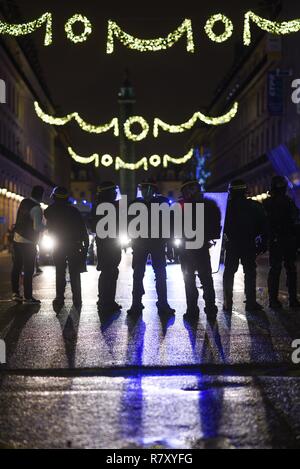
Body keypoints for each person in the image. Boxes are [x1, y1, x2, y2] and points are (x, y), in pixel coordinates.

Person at [127, 181, 175, 317]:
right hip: (144, 243)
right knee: (140, 274)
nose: (145, 191)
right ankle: (138, 303)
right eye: (144, 189)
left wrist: (169, 244)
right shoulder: (159, 202)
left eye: (148, 189)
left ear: (153, 190)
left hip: (154, 243)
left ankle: (159, 303)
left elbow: (169, 225)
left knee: (159, 275)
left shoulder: (157, 203)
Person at [223, 179, 268, 313]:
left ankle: (227, 302)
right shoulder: (254, 205)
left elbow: (220, 227)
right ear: (244, 191)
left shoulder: (226, 207)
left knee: (229, 272)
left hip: (232, 244)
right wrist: (262, 242)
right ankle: (250, 302)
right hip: (248, 243)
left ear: (231, 191)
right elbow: (264, 226)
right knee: (249, 272)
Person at [179, 180, 221, 321]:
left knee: (193, 279)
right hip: (195, 247)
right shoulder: (208, 205)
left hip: (193, 247)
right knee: (201, 279)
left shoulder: (184, 206)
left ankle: (196, 310)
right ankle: (208, 309)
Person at [44, 187, 89, 311]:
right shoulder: (74, 211)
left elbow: (47, 214)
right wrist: (85, 247)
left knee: (60, 272)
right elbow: (83, 230)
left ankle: (60, 297)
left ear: (54, 197)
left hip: (58, 245)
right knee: (75, 273)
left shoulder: (50, 211)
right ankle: (77, 299)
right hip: (74, 245)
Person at [263, 176, 300, 309]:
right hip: (289, 239)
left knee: (275, 270)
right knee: (291, 269)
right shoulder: (288, 201)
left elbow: (264, 223)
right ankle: (292, 300)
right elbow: (296, 220)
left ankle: (273, 300)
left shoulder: (268, 203)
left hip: (275, 240)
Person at [11, 185, 44, 304]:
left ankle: (15, 293)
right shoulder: (36, 208)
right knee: (29, 269)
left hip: (16, 239)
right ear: (41, 196)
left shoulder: (24, 202)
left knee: (17, 267)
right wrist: (48, 226)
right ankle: (28, 297)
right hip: (29, 242)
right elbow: (37, 227)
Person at [93, 181, 122, 315]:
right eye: (114, 192)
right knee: (109, 272)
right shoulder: (109, 206)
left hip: (106, 242)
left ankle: (107, 300)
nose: (116, 194)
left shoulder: (98, 205)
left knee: (109, 272)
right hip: (109, 243)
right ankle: (106, 301)